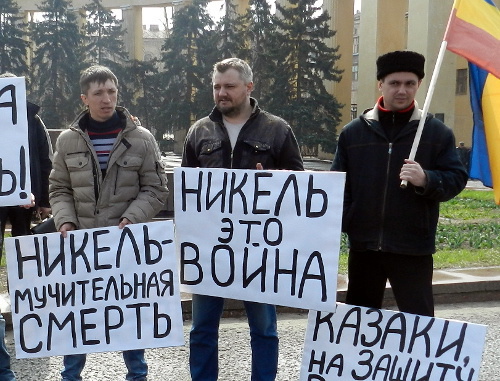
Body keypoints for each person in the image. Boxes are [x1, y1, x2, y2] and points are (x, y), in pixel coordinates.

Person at [182, 57, 304, 380]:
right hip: (211, 247)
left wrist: (274, 179)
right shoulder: (199, 132)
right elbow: (186, 190)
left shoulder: (277, 130)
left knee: (264, 327)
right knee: (202, 328)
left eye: (230, 86)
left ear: (249, 87)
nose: (222, 93)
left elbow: (299, 184)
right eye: (217, 87)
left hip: (258, 247)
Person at [49, 65, 168, 381]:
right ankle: (70, 376)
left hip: (126, 245)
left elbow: (156, 188)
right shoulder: (66, 141)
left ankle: (137, 376)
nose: (107, 99)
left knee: (130, 314)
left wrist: (133, 217)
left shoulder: (142, 140)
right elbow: (59, 188)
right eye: (99, 93)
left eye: (112, 91)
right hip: (81, 246)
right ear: (84, 98)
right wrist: (66, 223)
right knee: (78, 316)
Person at [331, 50, 468, 317]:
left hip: (413, 248)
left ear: (419, 85)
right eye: (394, 83)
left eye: (410, 83)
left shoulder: (436, 132)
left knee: (417, 324)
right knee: (359, 324)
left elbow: (456, 178)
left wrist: (427, 179)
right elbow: (337, 186)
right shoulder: (353, 133)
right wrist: (350, 221)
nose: (402, 90)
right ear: (381, 84)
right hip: (365, 248)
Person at [0, 72, 53, 261]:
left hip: (25, 195)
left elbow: (46, 160)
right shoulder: (33, 118)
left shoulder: (33, 120)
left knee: (23, 245)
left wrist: (44, 200)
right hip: (16, 192)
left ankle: (21, 288)